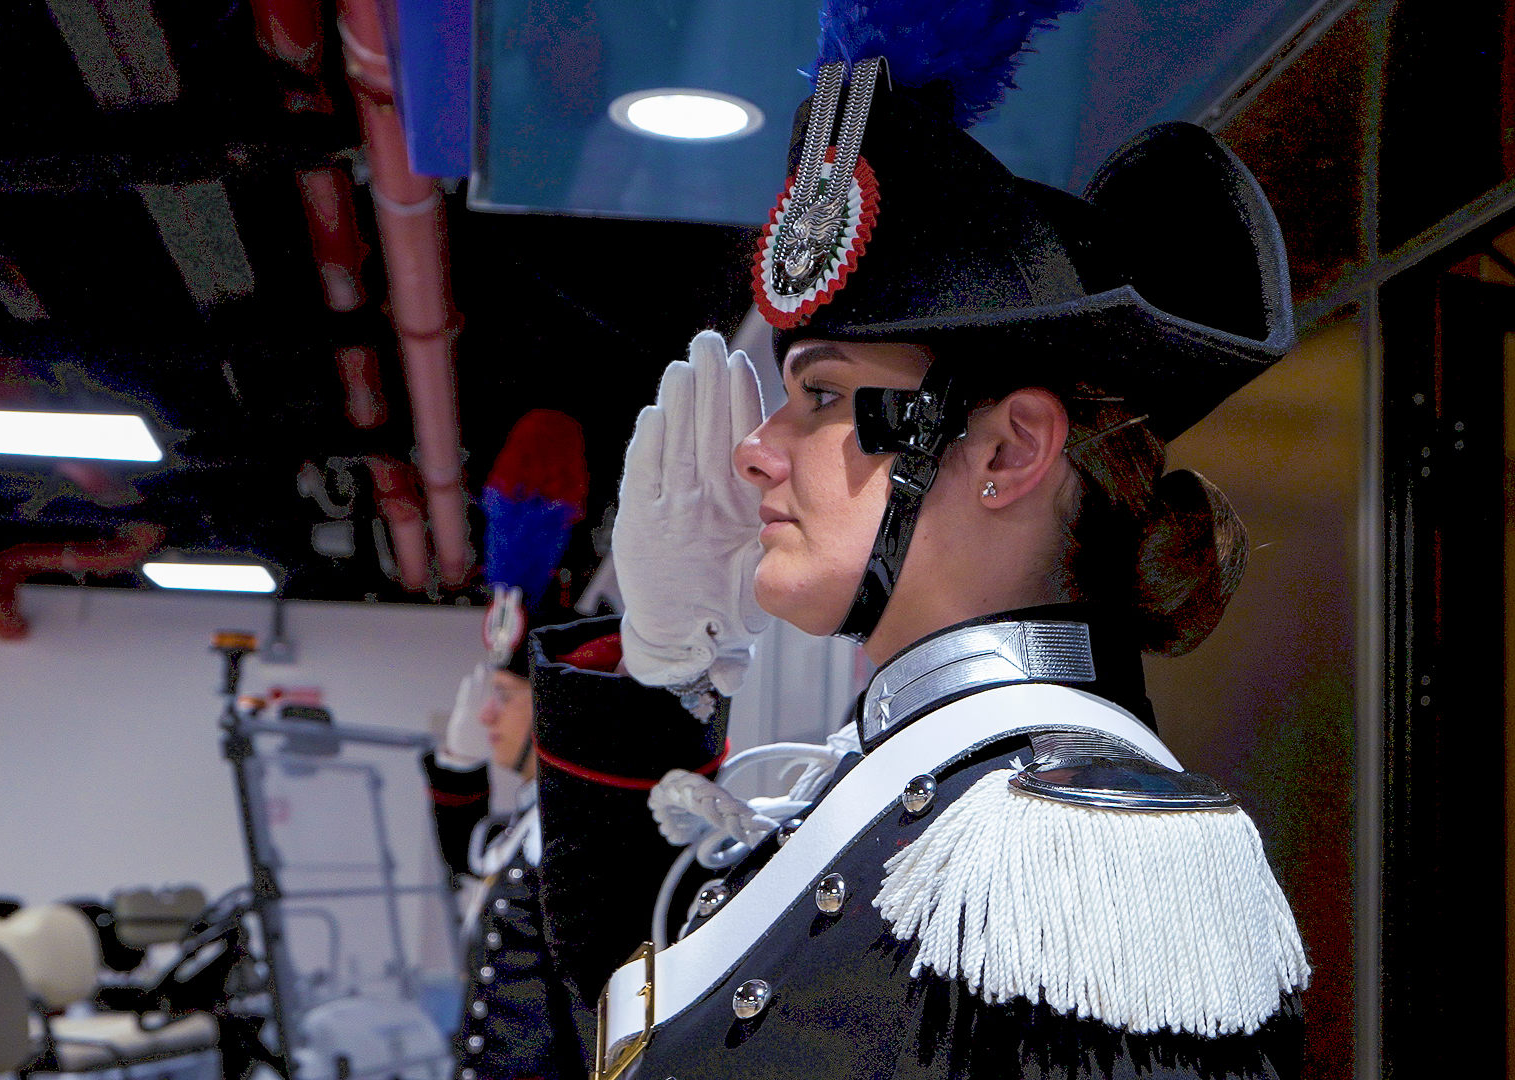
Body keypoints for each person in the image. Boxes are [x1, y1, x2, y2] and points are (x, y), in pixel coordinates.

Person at [523, 3, 1311, 1076]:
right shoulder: (921, 783)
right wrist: (659, 673)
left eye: (822, 395)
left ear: (1008, 450)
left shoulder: (1083, 848)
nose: (755, 449)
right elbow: (624, 1019)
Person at [423, 409, 597, 1080]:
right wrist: (456, 764)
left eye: (505, 696)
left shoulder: (574, 837)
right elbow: (467, 854)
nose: (486, 715)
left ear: (551, 708)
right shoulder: (532, 823)